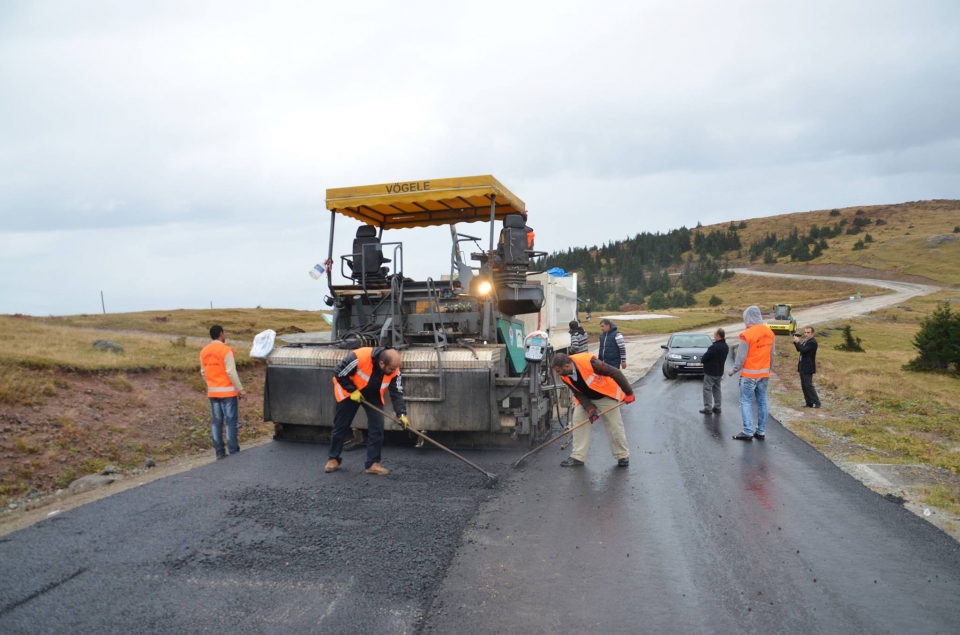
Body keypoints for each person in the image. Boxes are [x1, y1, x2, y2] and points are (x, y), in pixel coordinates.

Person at [326, 346, 408, 476]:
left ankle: (373, 464)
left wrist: (401, 414)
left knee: (377, 427)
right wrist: (352, 390)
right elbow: (339, 371)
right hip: (350, 391)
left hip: (372, 394)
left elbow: (397, 392)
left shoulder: (394, 370)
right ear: (382, 363)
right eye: (391, 369)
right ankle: (333, 459)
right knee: (341, 426)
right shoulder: (359, 357)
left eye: (395, 369)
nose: (393, 371)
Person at [552, 352, 635, 467]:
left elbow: (615, 372)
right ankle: (578, 457)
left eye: (558, 371)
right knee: (578, 421)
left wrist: (629, 392)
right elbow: (577, 393)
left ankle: (622, 456)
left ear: (567, 366)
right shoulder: (564, 375)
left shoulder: (591, 363)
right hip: (586, 397)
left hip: (605, 394)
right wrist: (590, 409)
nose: (557, 374)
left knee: (614, 424)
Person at [728, 306, 776, 441]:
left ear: (748, 318)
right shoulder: (770, 332)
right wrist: (769, 369)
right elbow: (772, 354)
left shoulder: (747, 334)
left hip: (749, 375)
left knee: (746, 401)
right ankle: (761, 431)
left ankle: (748, 431)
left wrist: (734, 370)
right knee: (762, 402)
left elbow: (741, 357)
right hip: (764, 374)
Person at [200, 325, 247, 460]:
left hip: (213, 393)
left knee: (216, 422)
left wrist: (211, 385)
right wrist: (241, 390)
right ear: (221, 334)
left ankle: (219, 453)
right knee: (231, 422)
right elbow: (231, 372)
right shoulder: (226, 350)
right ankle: (233, 451)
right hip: (227, 393)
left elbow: (203, 372)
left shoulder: (204, 351)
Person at [699, 328, 729, 414]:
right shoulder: (725, 346)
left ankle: (708, 408)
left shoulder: (714, 347)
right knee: (717, 389)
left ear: (718, 336)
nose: (714, 336)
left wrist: (702, 360)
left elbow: (705, 357)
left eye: (715, 334)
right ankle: (717, 407)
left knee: (707, 389)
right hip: (719, 371)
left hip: (711, 371)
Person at [794, 326, 821, 408]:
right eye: (805, 332)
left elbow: (803, 350)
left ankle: (817, 402)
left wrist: (797, 342)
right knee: (804, 385)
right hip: (803, 365)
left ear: (812, 333)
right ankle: (809, 402)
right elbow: (799, 349)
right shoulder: (806, 341)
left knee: (808, 385)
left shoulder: (812, 342)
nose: (806, 334)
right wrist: (796, 342)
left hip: (808, 366)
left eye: (808, 332)